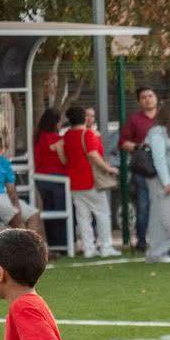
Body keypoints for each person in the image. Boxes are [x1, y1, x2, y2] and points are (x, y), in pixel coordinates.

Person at [63, 105, 117, 258]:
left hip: (74, 181)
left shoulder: (67, 135)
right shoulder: (87, 134)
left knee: (83, 216)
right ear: (83, 117)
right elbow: (93, 155)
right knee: (102, 213)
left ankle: (89, 248)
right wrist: (108, 169)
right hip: (90, 180)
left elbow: (65, 156)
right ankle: (106, 247)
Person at [119, 86, 160, 251]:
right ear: (139, 101)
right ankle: (141, 241)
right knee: (143, 206)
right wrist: (139, 147)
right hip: (143, 170)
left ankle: (162, 240)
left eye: (151, 95)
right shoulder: (134, 120)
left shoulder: (164, 118)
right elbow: (123, 143)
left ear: (156, 97)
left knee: (162, 207)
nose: (148, 99)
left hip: (163, 169)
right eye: (144, 97)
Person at [0, 133, 44, 242]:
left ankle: (33, 248)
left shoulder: (5, 163)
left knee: (34, 214)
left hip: (4, 196)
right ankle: (29, 250)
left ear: (2, 149)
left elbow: (11, 188)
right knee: (16, 217)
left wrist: (16, 204)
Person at [143, 100, 170, 264]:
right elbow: (159, 159)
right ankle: (157, 252)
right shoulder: (157, 132)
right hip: (160, 181)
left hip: (169, 180)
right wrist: (166, 182)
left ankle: (164, 248)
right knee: (161, 216)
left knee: (169, 217)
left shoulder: (168, 132)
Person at [31, 108, 69, 251]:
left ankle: (52, 244)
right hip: (58, 179)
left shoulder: (38, 137)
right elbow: (64, 160)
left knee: (48, 209)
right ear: (55, 123)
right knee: (61, 211)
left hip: (41, 179)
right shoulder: (56, 139)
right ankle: (63, 244)